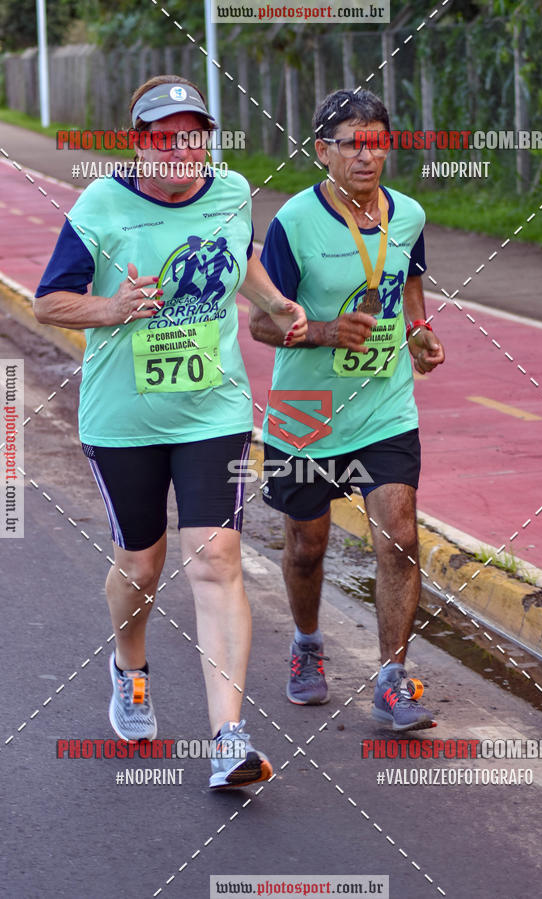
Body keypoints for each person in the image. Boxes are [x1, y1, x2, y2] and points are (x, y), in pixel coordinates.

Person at [33, 75, 307, 787]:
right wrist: (113, 306)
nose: (181, 148)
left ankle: (229, 737)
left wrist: (278, 302)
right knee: (143, 564)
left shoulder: (230, 191)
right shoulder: (101, 205)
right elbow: (49, 301)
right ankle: (129, 666)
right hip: (124, 419)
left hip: (213, 411)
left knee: (216, 557)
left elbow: (237, 258)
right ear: (140, 144)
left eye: (194, 134)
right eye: (165, 136)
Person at [249, 89, 445, 732]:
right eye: (353, 143)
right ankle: (307, 645)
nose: (368, 155)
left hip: (384, 405)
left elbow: (409, 280)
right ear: (322, 151)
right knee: (307, 544)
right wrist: (326, 331)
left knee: (402, 536)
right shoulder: (294, 225)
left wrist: (419, 331)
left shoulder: (408, 214)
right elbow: (262, 326)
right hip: (306, 409)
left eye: (378, 140)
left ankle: (392, 677)